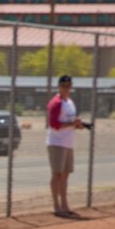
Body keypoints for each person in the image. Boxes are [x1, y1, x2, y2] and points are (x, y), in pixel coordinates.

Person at [45, 74, 89, 219]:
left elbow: (69, 122)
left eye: (69, 86)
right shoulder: (56, 103)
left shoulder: (69, 102)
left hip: (68, 143)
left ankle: (65, 205)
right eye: (64, 86)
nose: (66, 89)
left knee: (65, 175)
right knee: (56, 174)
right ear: (59, 87)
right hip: (57, 142)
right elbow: (54, 124)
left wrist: (78, 125)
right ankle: (56, 206)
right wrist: (72, 124)